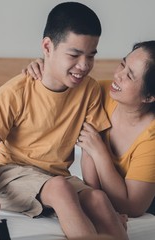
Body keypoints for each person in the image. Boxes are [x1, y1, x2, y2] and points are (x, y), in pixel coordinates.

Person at [0, 2, 133, 240]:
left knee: (98, 200)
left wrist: (97, 200)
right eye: (74, 54)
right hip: (10, 176)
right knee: (59, 189)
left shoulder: (88, 90)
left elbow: (88, 149)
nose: (84, 65)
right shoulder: (15, 92)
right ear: (47, 47)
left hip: (56, 178)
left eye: (91, 55)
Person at [26, 41, 155, 218]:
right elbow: (57, 82)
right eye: (123, 64)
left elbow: (133, 207)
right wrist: (43, 66)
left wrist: (100, 153)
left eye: (130, 76)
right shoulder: (97, 92)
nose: (118, 75)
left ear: (149, 97)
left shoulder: (151, 137)